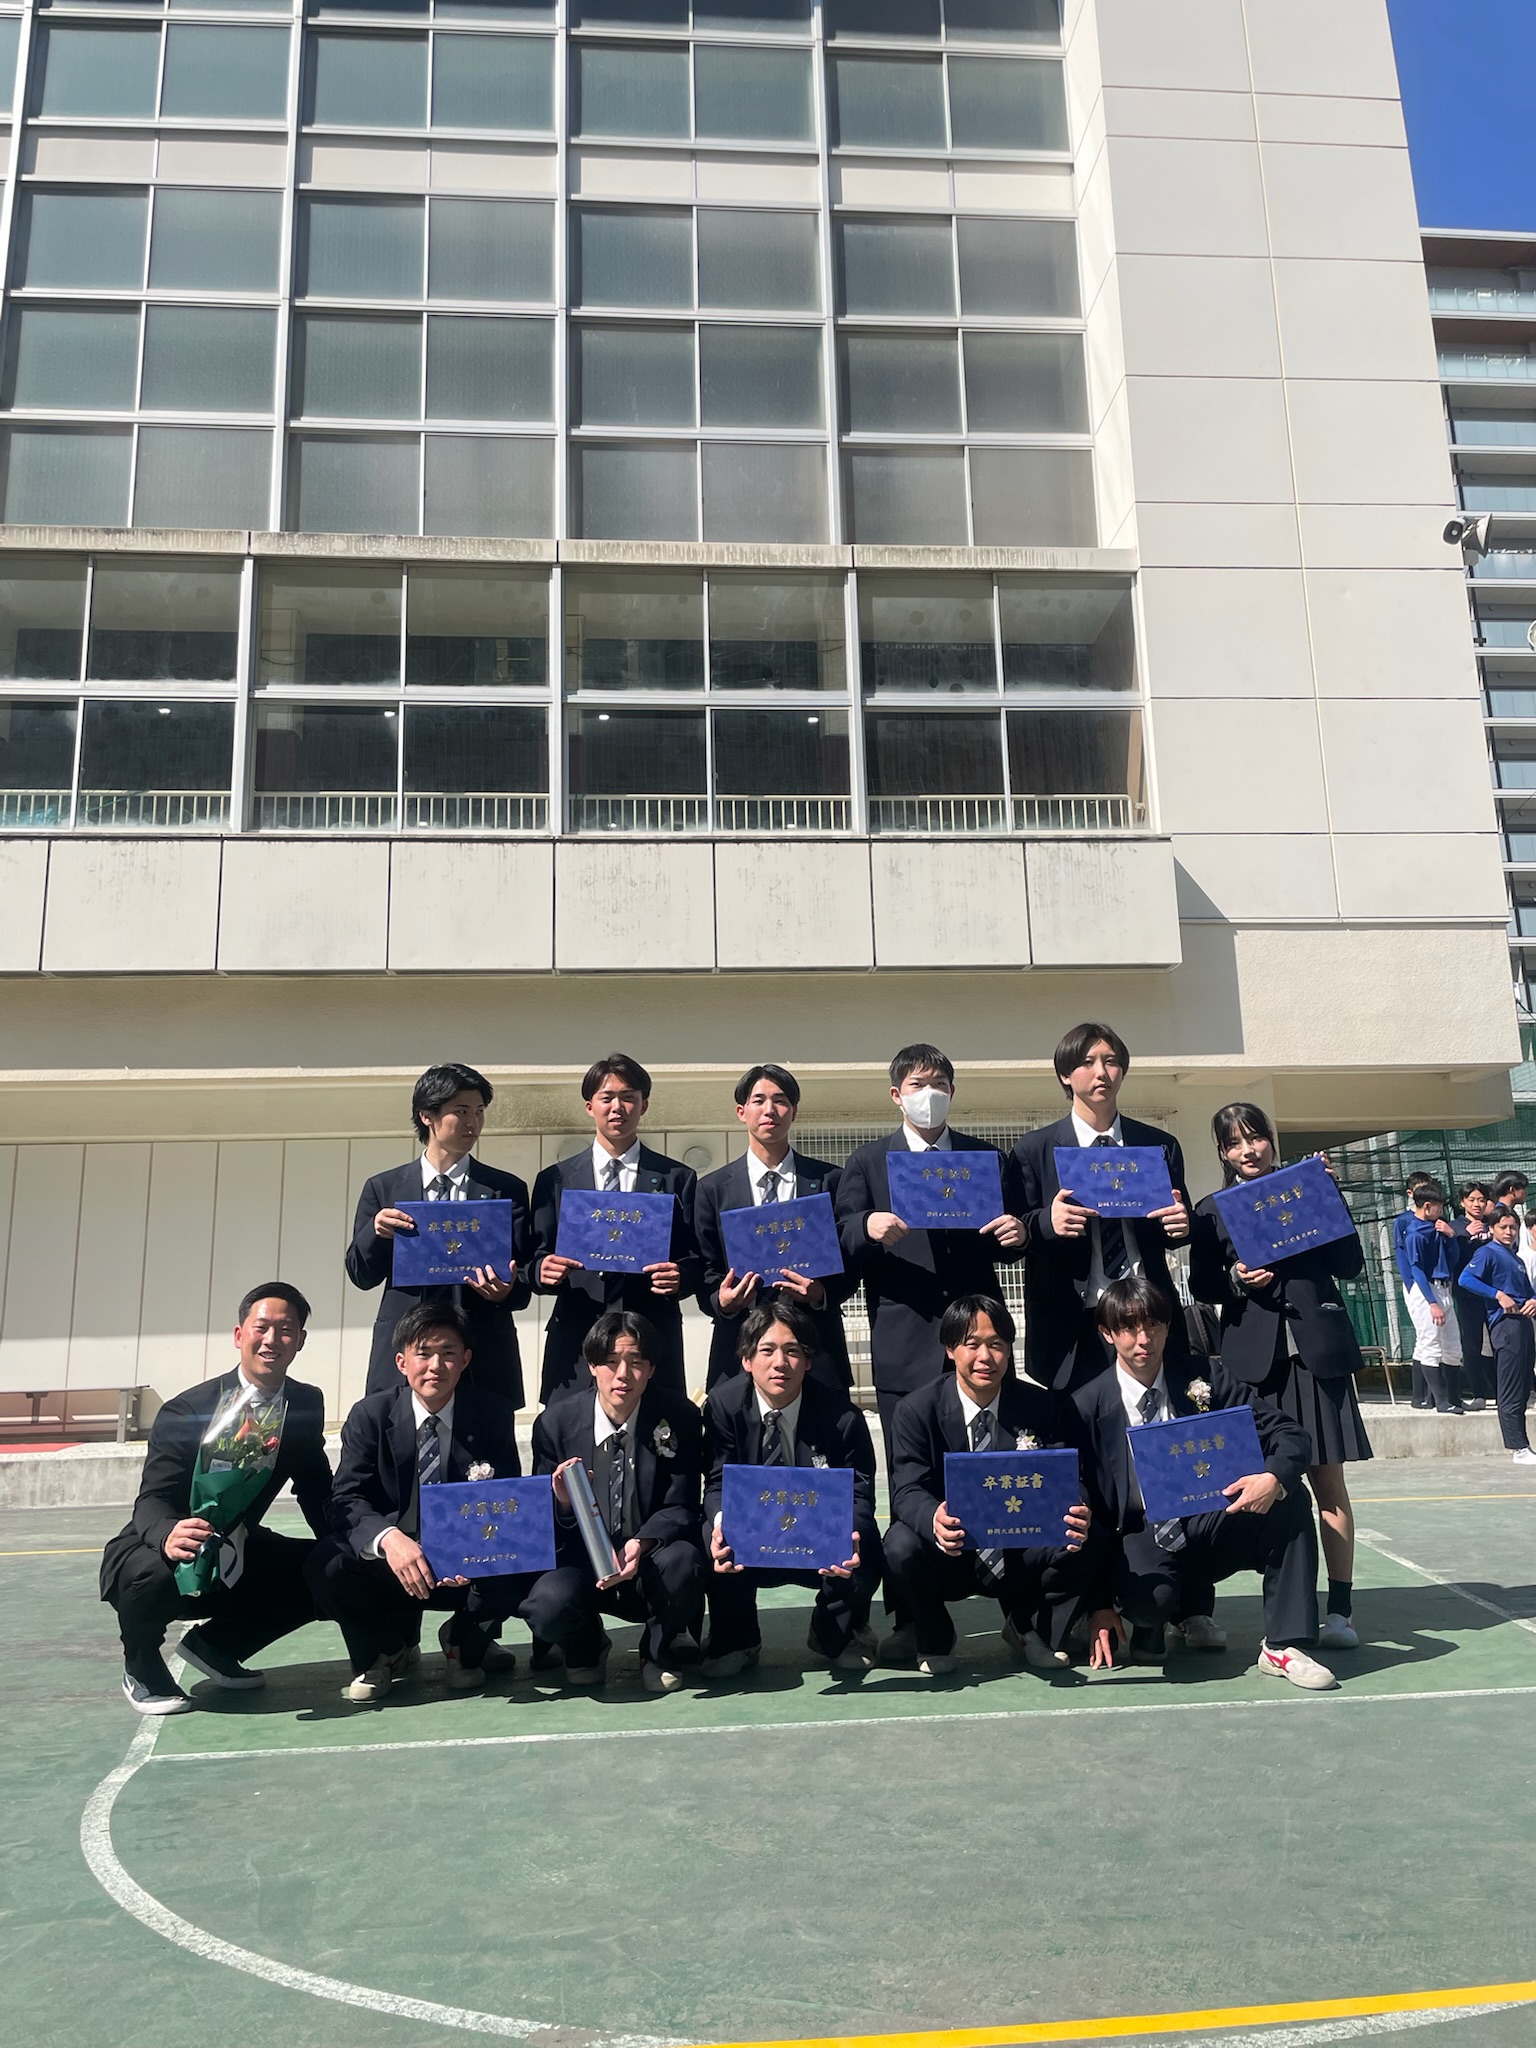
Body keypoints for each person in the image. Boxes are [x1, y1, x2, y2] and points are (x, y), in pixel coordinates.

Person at [1073, 1277, 1335, 1691]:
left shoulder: (1204, 1377)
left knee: (1289, 1496)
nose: (1144, 1339)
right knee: (1149, 1606)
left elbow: (1287, 1432)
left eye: (1154, 1325)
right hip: (1140, 1534)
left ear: (1167, 1327)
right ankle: (1160, 1619)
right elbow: (1086, 1507)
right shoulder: (1085, 1406)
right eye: (1129, 1328)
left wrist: (1272, 1477)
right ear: (1107, 1333)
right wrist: (1099, 1606)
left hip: (1210, 1521)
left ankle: (1284, 1645)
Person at [1189, 1104, 1373, 1654]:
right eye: (1235, 1143)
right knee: (1243, 1486)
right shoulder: (1212, 1211)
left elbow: (1350, 1264)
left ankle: (1339, 1611)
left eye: (1256, 1138)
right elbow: (1203, 1284)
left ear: (1272, 1141)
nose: (1248, 1150)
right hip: (1253, 1365)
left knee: (1328, 1485)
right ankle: (1217, 1607)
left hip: (1317, 1356)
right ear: (1223, 1153)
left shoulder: (1310, 1188)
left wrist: (1327, 1197)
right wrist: (1236, 1277)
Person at [100, 1283, 332, 1715]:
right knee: (148, 1575)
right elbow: (152, 1498)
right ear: (239, 1335)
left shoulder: (304, 1404)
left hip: (237, 1544)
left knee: (323, 1568)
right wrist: (168, 1533)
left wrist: (344, 1543)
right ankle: (141, 1665)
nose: (272, 1339)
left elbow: (315, 1486)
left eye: (286, 1330)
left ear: (300, 1340)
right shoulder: (189, 1410)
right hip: (165, 1543)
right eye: (262, 1327)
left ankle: (218, 1645)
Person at [307, 1302, 538, 1702]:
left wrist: (469, 1551)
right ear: (401, 1362)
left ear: (466, 1359)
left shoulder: (492, 1413)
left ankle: (463, 1640)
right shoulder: (370, 1415)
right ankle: (383, 1652)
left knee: (525, 1555)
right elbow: (346, 1497)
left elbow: (504, 1500)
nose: (435, 1366)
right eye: (423, 1353)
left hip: (465, 1569)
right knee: (325, 1563)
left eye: (448, 1353)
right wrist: (388, 1539)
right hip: (394, 1562)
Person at [883, 1295, 1097, 1677]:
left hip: (1019, 1546)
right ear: (950, 1349)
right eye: (972, 1344)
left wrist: (1077, 1506)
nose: (986, 1357)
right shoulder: (916, 1410)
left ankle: (1031, 1628)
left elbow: (1068, 1477)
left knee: (1081, 1535)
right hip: (952, 1549)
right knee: (899, 1544)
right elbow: (907, 1489)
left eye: (997, 1344)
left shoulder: (1041, 1406)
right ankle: (935, 1636)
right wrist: (934, 1518)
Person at [833, 1044, 1025, 1467]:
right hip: (905, 1341)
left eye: (939, 1084)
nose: (930, 1094)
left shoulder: (986, 1158)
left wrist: (1018, 1234)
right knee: (913, 1465)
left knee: (990, 1459)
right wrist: (867, 1225)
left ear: (952, 1092)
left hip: (979, 1339)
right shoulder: (868, 1161)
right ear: (896, 1095)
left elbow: (1011, 1237)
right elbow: (842, 1235)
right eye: (918, 1085)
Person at [701, 1301, 883, 1679]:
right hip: (752, 1534)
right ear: (746, 1360)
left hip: (817, 1538)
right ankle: (735, 1639)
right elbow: (716, 1482)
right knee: (710, 1534)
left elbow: (859, 1495)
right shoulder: (722, 1406)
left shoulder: (842, 1418)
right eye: (767, 1350)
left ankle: (837, 1633)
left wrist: (846, 1531)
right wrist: (720, 1522)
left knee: (863, 1536)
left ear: (809, 1361)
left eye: (792, 1351)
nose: (780, 1363)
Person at [526, 1311, 706, 1693]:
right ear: (591, 1365)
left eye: (636, 1362)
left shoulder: (680, 1417)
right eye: (610, 1361)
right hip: (582, 1564)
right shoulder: (555, 1424)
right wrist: (562, 1503)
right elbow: (538, 1523)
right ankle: (587, 1647)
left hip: (647, 1559)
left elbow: (684, 1505)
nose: (623, 1374)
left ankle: (656, 1652)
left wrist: (643, 1542)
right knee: (546, 1603)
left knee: (685, 1562)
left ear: (652, 1368)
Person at [1012, 1022, 1193, 1393]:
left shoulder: (1157, 1146)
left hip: (1147, 1314)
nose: (1101, 1072)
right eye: (1087, 1062)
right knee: (1077, 1424)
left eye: (1111, 1061)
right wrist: (1046, 1222)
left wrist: (1181, 1224)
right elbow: (1013, 1230)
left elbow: (1176, 1227)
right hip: (1072, 1324)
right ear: (1065, 1075)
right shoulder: (1033, 1150)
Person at [346, 1062, 533, 1407]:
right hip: (407, 1353)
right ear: (426, 1116)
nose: (473, 1122)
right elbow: (360, 1274)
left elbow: (523, 1280)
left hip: (482, 1356)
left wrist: (505, 1290)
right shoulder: (384, 1188)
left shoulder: (505, 1189)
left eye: (479, 1111)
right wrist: (375, 1233)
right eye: (461, 1111)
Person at [531, 1053, 703, 1404]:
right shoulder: (556, 1180)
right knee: (569, 1431)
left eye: (628, 1097)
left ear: (644, 1105)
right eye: (606, 1098)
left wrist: (681, 1277)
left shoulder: (676, 1178)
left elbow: (697, 1257)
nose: (617, 1107)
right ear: (589, 1106)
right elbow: (533, 1254)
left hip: (650, 1333)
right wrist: (541, 1270)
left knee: (658, 1430)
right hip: (578, 1335)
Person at [695, 1062, 857, 1395]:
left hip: (816, 1345)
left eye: (780, 1101)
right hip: (739, 1344)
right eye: (759, 1100)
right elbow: (704, 1267)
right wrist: (723, 1300)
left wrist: (820, 1293)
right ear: (741, 1112)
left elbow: (851, 1260)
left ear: (794, 1112)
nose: (770, 1109)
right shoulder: (712, 1189)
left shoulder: (830, 1181)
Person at [1458, 1208, 1536, 1466]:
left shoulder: (1516, 1258)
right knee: (1511, 1387)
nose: (1509, 1232)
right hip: (1505, 1325)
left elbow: (1527, 1291)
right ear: (1492, 1229)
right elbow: (1465, 1279)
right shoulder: (1487, 1252)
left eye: (1513, 1227)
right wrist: (1497, 1295)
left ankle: (1523, 1443)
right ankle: (1517, 1447)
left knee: (1523, 1386)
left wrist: (1533, 1300)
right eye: (1503, 1227)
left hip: (1523, 1323)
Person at [1403, 1181, 1465, 1416]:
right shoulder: (1415, 1233)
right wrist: (1431, 1302)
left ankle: (1455, 1398)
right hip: (1427, 1289)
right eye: (1438, 1206)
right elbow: (1416, 1269)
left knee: (1453, 1345)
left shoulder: (1439, 1227)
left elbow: (1454, 1258)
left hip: (1445, 1287)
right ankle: (1440, 1400)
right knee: (1430, 1343)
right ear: (1427, 1206)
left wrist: (1451, 1236)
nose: (1442, 1210)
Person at [1392, 1170, 1440, 1408]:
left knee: (1435, 1338)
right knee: (1425, 1336)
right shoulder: (1403, 1221)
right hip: (1417, 1285)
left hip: (1437, 1283)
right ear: (1411, 1193)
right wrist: (1411, 1283)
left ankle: (1430, 1396)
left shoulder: (1437, 1217)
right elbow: (1402, 1255)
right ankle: (1419, 1395)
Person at [1451, 1183, 1497, 1412]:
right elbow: (1450, 1257)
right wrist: (1463, 1236)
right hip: (1468, 1294)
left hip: (1495, 1293)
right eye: (1472, 1200)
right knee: (1472, 1343)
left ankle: (1504, 1390)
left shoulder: (1494, 1224)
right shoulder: (1455, 1227)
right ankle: (1478, 1393)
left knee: (1500, 1341)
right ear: (1463, 1203)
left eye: (1481, 1200)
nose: (1477, 1204)